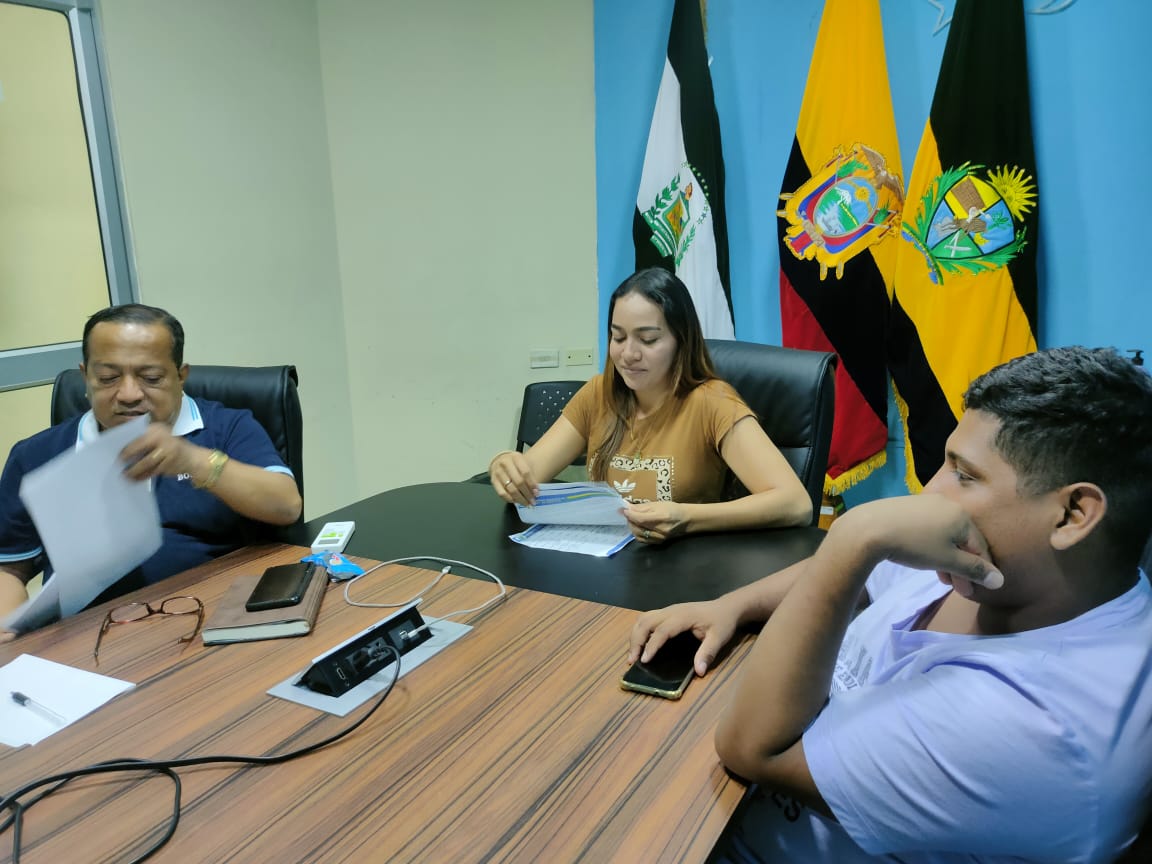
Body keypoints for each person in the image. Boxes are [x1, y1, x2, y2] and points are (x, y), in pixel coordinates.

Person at [628, 346, 1152, 862]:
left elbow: (751, 750)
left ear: (1072, 514)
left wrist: (856, 535)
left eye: (965, 475)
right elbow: (864, 579)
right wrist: (734, 605)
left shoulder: (1040, 729)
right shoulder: (1005, 573)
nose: (931, 494)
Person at [0, 304, 303, 628]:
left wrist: (193, 460)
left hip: (208, 619)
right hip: (87, 634)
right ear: (86, 376)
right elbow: (9, 567)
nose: (129, 394)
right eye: (108, 378)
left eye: (151, 378)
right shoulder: (36, 455)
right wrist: (8, 626)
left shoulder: (227, 427)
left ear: (180, 376)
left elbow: (286, 506)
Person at [489, 268, 811, 543]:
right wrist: (506, 467)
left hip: (687, 572)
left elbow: (796, 504)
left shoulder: (714, 403)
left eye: (648, 340)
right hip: (608, 566)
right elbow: (529, 475)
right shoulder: (598, 393)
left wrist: (685, 517)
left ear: (681, 341)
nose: (628, 354)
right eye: (618, 337)